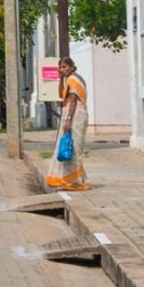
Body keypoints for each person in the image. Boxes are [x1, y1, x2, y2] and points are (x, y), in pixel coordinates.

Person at [45, 57, 91, 191]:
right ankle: (69, 179)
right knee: (67, 146)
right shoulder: (68, 79)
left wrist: (68, 120)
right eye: (60, 67)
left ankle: (75, 181)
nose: (62, 69)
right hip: (72, 115)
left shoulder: (73, 80)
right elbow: (61, 95)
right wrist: (60, 78)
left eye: (65, 67)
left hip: (75, 115)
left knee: (74, 148)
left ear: (72, 67)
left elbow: (73, 101)